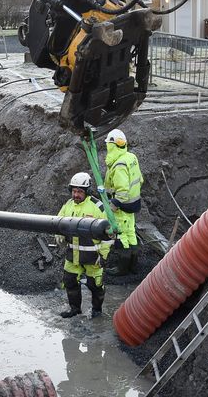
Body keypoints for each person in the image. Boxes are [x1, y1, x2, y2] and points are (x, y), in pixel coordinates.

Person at [55, 172, 112, 319]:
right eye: (74, 191)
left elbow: (109, 234)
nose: (76, 194)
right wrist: (59, 236)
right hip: (72, 255)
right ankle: (75, 309)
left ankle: (97, 310)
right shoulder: (67, 205)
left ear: (87, 191)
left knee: (95, 285)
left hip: (93, 257)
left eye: (80, 191)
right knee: (70, 281)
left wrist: (103, 255)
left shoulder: (98, 207)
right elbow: (57, 223)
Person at [103, 129, 144, 274]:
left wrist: (115, 203)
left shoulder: (119, 164)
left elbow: (122, 188)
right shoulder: (130, 157)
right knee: (131, 232)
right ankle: (133, 266)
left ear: (112, 145)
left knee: (121, 235)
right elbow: (140, 179)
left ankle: (122, 268)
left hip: (122, 205)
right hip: (133, 203)